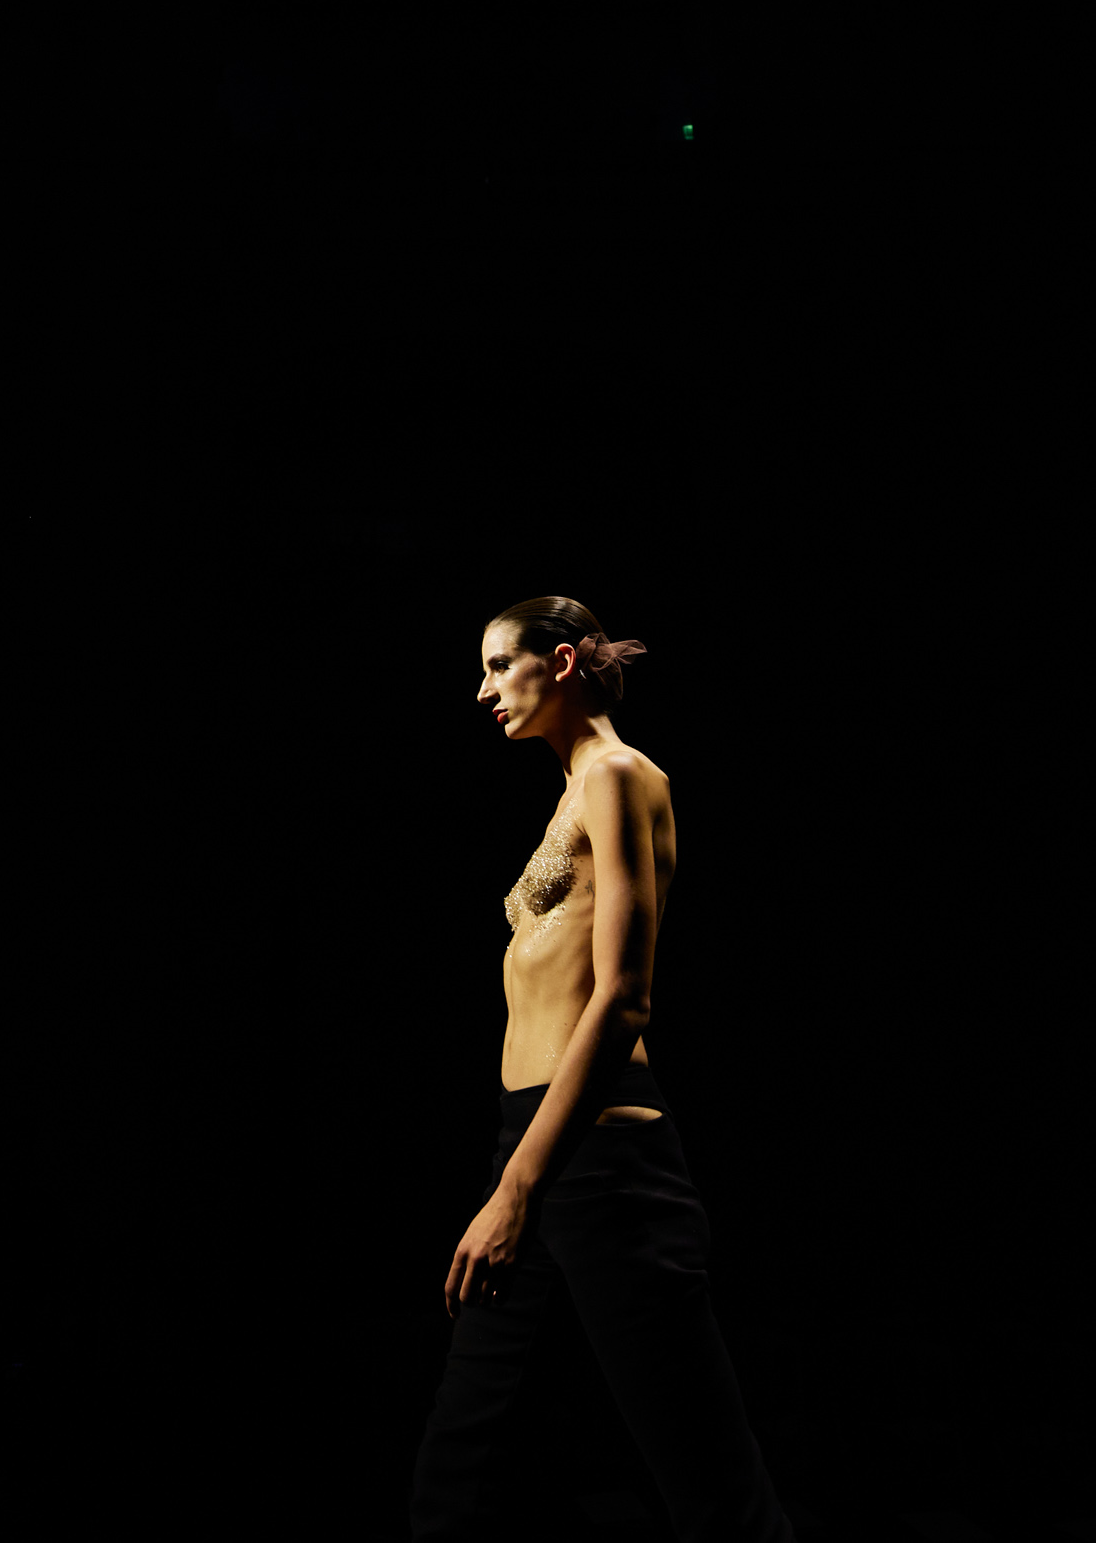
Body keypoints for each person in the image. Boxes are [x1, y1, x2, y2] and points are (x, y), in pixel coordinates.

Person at [411, 597, 797, 1542]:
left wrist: (515, 1190)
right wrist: (518, 1173)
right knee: (459, 1469)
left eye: (499, 665)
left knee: (712, 1483)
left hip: (602, 1155)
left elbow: (624, 995)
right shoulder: (570, 792)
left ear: (562, 661)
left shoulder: (620, 775)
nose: (484, 689)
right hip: (538, 1141)